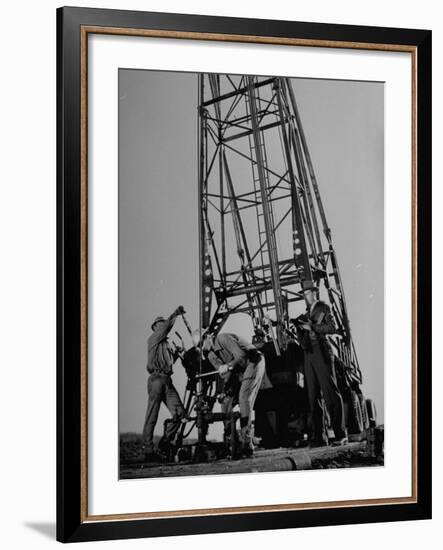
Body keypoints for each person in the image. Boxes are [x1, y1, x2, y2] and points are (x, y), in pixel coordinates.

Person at [194, 329, 272, 457]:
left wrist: (228, 365)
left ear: (208, 337)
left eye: (201, 343)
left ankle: (247, 443)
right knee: (226, 401)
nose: (201, 347)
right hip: (239, 370)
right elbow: (227, 375)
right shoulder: (210, 355)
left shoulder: (222, 338)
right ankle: (232, 441)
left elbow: (241, 356)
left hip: (253, 362)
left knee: (244, 397)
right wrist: (225, 391)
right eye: (199, 346)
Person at [296, 282, 348, 446]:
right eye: (304, 293)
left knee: (330, 392)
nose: (306, 296)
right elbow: (303, 340)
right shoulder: (306, 313)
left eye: (308, 293)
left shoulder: (323, 307)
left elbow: (332, 327)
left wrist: (313, 326)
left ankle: (340, 434)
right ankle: (319, 437)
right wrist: (299, 329)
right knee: (313, 397)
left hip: (322, 352)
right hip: (309, 354)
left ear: (315, 292)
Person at [141, 306, 186, 461]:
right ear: (155, 328)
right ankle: (148, 450)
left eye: (162, 323)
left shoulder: (167, 345)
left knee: (180, 412)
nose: (161, 325)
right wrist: (175, 314)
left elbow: (170, 363)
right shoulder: (153, 338)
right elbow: (167, 327)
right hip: (156, 380)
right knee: (151, 416)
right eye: (159, 324)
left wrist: (178, 354)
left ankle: (164, 444)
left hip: (167, 380)